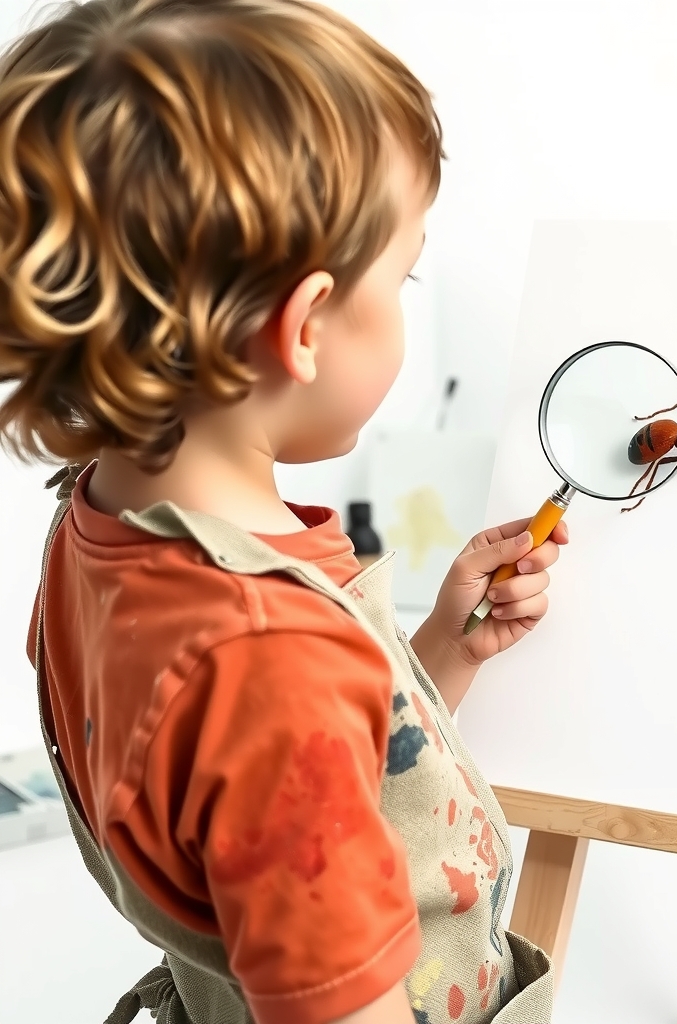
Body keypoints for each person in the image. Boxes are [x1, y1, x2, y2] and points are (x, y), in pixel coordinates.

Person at [0, 2, 567, 1022]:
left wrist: (443, 648)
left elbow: (291, 798)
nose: (405, 296)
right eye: (403, 273)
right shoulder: (267, 660)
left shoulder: (103, 525)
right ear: (304, 327)